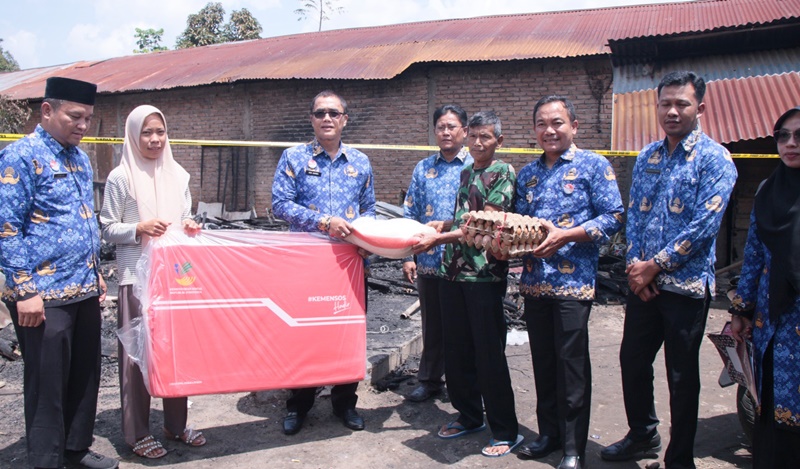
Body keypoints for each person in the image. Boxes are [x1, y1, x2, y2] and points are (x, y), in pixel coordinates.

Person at [601, 71, 737, 469]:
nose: (673, 111)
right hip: (642, 285)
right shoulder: (648, 157)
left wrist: (654, 267)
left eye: (682, 103)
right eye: (666, 103)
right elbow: (635, 222)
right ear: (656, 106)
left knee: (681, 375)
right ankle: (642, 434)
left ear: (701, 108)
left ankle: (680, 458)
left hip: (686, 288)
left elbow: (705, 225)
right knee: (632, 360)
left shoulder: (716, 159)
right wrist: (633, 269)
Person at [0, 77, 119, 469]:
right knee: (47, 383)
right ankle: (46, 460)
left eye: (87, 118)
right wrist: (24, 290)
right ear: (47, 111)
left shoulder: (79, 158)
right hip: (43, 295)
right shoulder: (22, 157)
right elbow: (6, 227)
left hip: (83, 286)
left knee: (85, 376)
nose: (83, 125)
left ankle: (75, 448)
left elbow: (84, 220)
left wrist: (96, 271)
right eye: (75, 116)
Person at [515, 96, 623, 469]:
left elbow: (613, 217)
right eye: (542, 123)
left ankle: (574, 447)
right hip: (533, 282)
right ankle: (549, 435)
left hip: (573, 284)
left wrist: (566, 235)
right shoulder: (527, 174)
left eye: (557, 122)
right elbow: (519, 225)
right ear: (534, 130)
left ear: (574, 126)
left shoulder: (594, 166)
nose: (550, 130)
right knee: (543, 362)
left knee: (571, 365)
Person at [412, 111, 522, 457]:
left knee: (488, 353)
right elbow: (466, 218)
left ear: (498, 142)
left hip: (483, 275)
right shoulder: (466, 172)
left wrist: (438, 240)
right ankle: (469, 415)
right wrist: (442, 223)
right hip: (452, 272)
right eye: (473, 136)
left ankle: (505, 429)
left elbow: (484, 228)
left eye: (485, 137)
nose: (477, 143)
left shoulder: (502, 172)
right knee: (456, 349)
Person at [99, 105, 205, 459]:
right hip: (135, 280)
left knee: (176, 354)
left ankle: (175, 424)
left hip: (175, 280)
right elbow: (106, 228)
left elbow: (186, 215)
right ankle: (137, 432)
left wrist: (189, 225)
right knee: (135, 357)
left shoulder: (178, 174)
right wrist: (137, 229)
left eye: (160, 131)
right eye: (146, 132)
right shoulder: (121, 177)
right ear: (132, 135)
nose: (155, 139)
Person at [272, 90, 375, 435]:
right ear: (311, 119)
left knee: (347, 333)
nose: (327, 118)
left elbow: (370, 209)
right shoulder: (293, 157)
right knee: (304, 334)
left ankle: (345, 403)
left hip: (349, 264)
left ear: (345, 119)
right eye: (320, 113)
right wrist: (323, 222)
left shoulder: (360, 162)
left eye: (334, 113)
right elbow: (280, 205)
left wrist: (367, 241)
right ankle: (299, 404)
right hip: (305, 264)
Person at [729, 106, 800, 468]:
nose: (790, 144)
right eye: (782, 136)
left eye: (799, 136)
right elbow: (755, 254)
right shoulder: (768, 190)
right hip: (774, 320)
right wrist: (741, 310)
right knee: (771, 401)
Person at [402, 104, 472, 403]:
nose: (445, 132)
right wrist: (407, 255)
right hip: (429, 261)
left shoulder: (476, 166)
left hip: (466, 262)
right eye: (441, 127)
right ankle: (430, 380)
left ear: (464, 131)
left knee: (464, 326)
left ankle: (465, 384)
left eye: (451, 126)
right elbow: (409, 213)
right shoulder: (424, 168)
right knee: (433, 325)